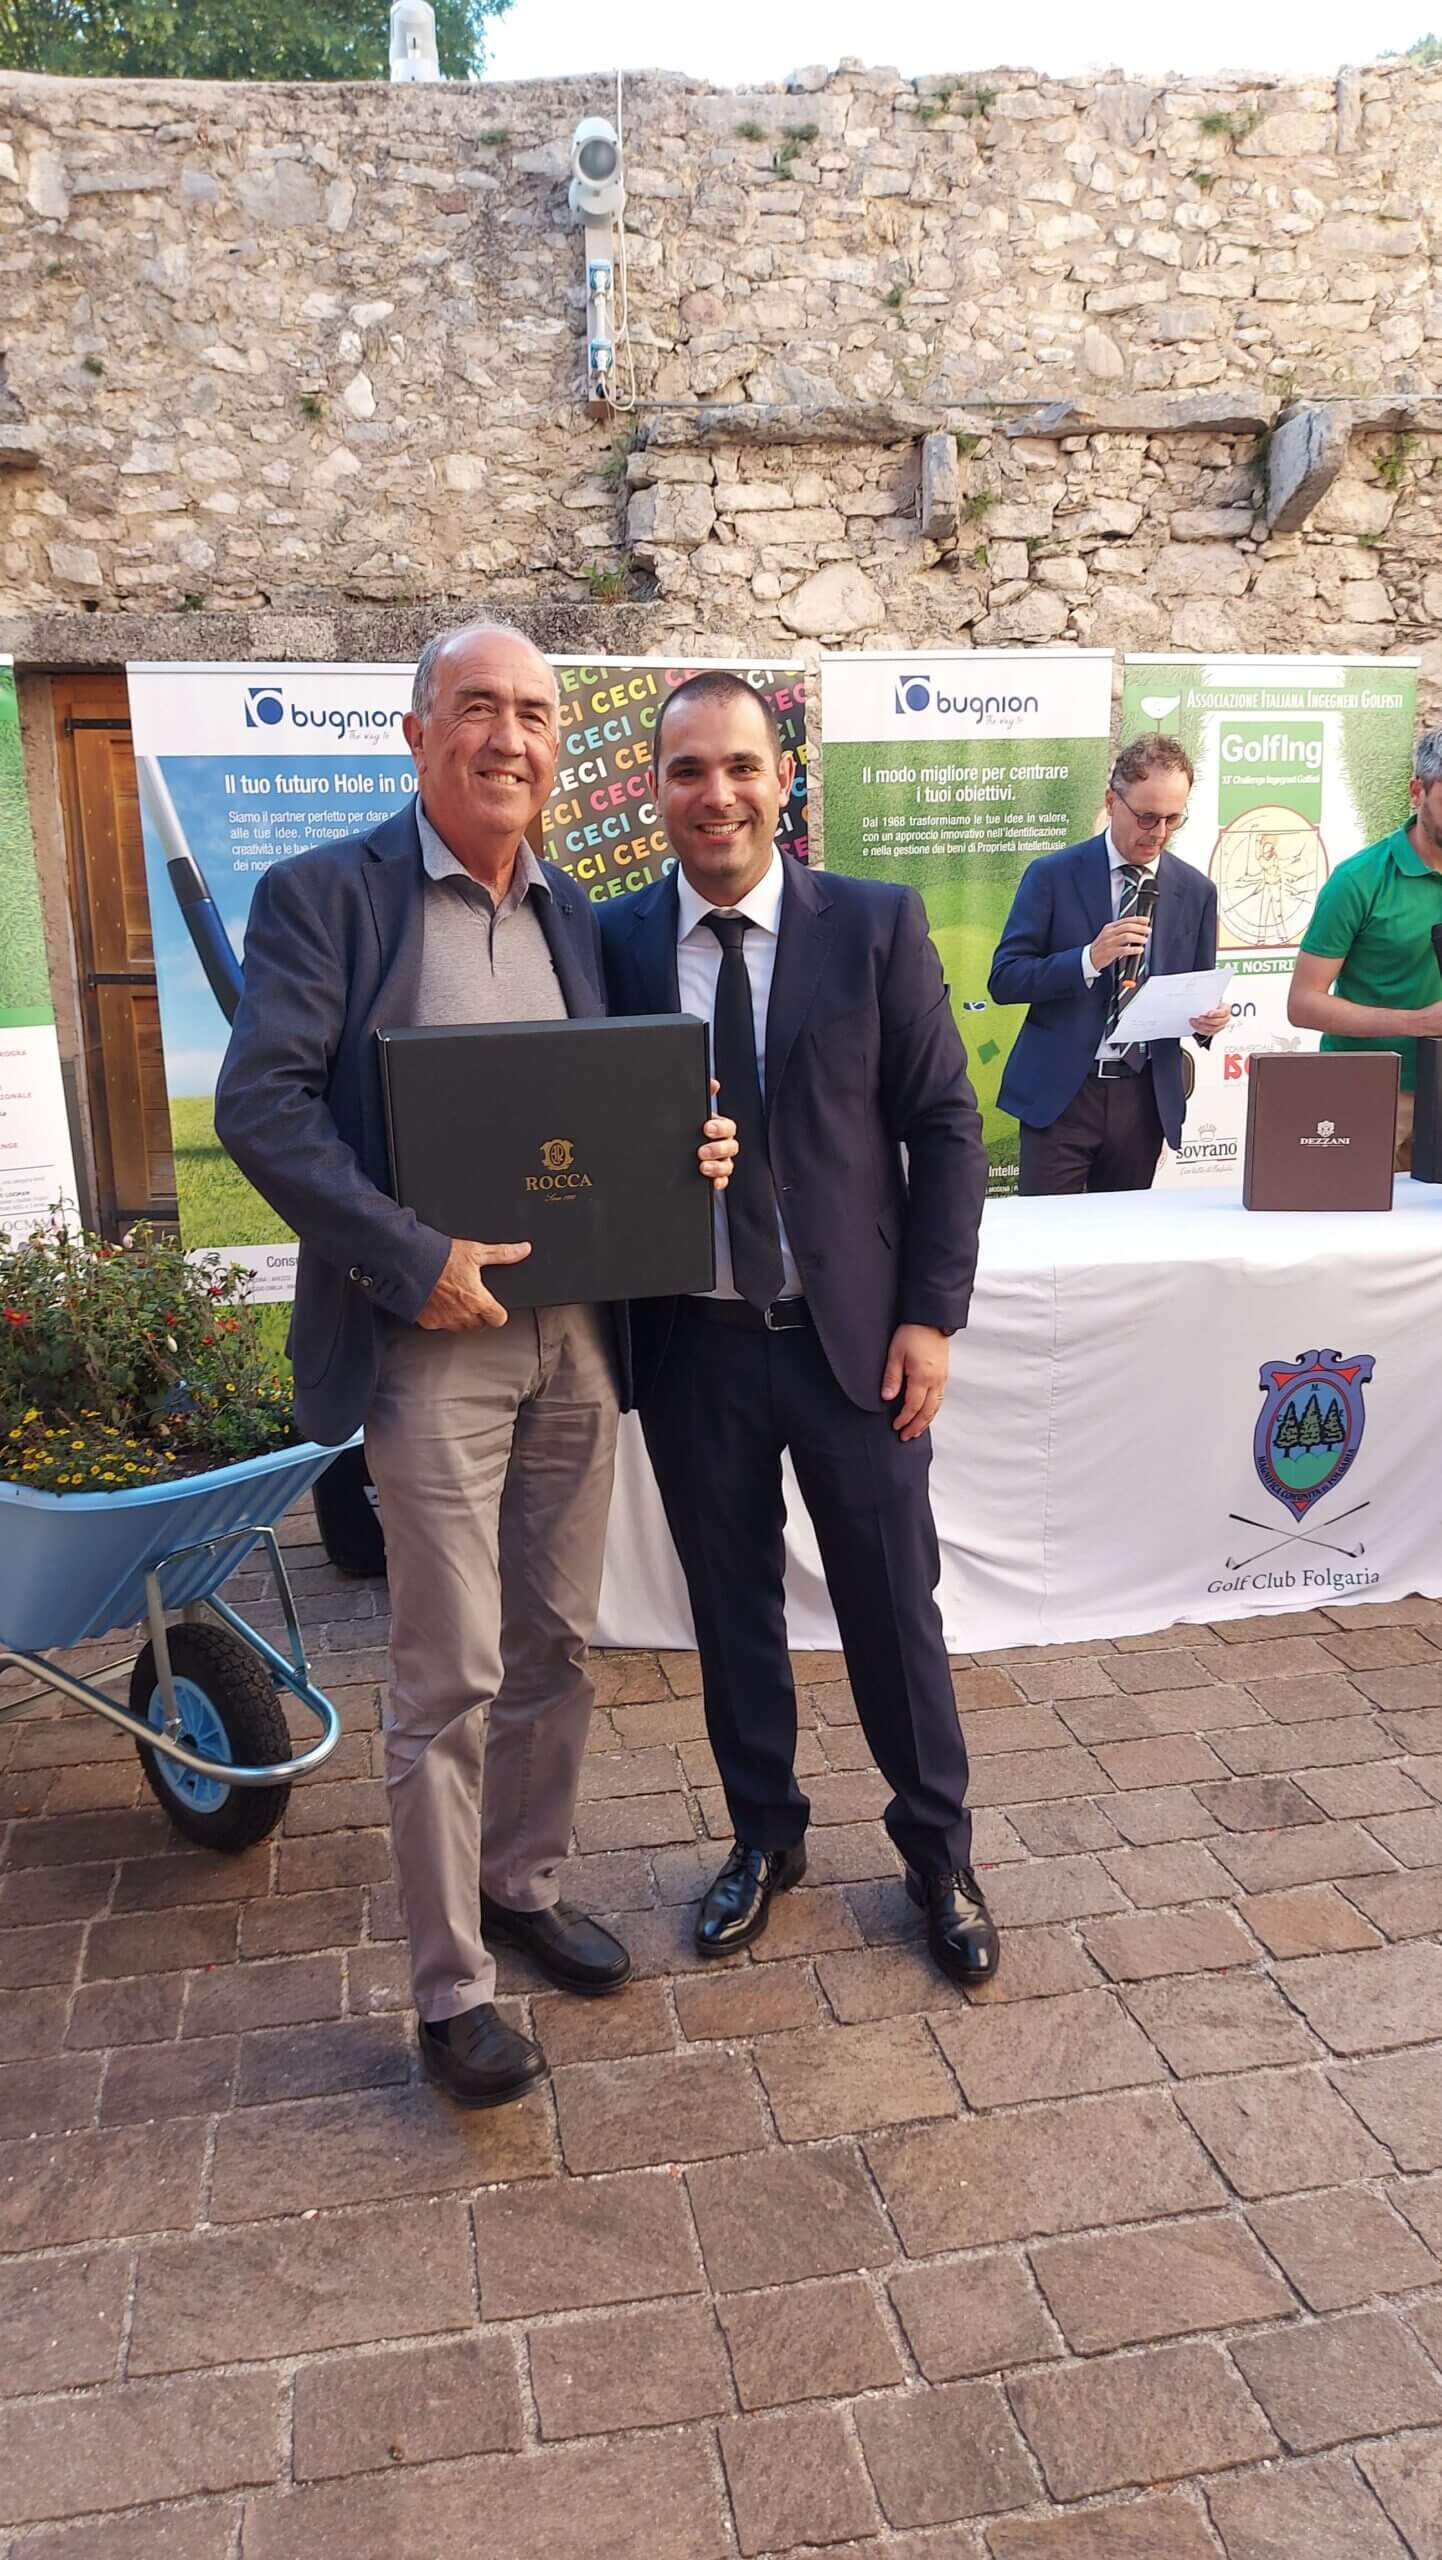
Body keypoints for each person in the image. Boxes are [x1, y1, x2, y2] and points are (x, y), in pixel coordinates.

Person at [214, 623, 736, 2111]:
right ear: (416, 731)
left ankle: (521, 1884)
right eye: (478, 709)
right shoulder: (327, 895)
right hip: (428, 1343)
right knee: (448, 1673)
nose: (509, 738)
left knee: (557, 1641)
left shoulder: (575, 911)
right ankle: (450, 1990)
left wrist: (685, 1149)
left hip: (574, 1337)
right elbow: (263, 1107)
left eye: (535, 714)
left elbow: (594, 1110)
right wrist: (410, 1255)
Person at [599, 671, 998, 1989]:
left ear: (784, 780)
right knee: (729, 1611)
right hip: (692, 1343)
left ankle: (936, 1851)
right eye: (685, 770)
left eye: (738, 766)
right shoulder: (609, 942)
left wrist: (929, 1317)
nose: (714, 793)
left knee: (891, 1607)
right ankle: (764, 1836)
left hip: (854, 1347)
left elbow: (945, 1128)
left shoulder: (872, 925)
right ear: (654, 792)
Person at [988, 735, 1231, 1194]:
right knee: (1049, 1235)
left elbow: (1196, 987)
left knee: (1124, 1236)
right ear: (1112, 802)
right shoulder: (1053, 875)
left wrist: (1208, 1020)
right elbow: (1005, 979)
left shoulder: (1196, 891)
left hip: (1144, 1099)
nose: (1159, 832)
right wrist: (1088, 958)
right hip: (1062, 1097)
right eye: (1146, 817)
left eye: (1173, 819)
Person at [1288, 726, 1442, 1171]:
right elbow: (1303, 1004)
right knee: (1356, 1216)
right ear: (1417, 792)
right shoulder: (1358, 880)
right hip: (1367, 1092)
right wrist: (1419, 1023)